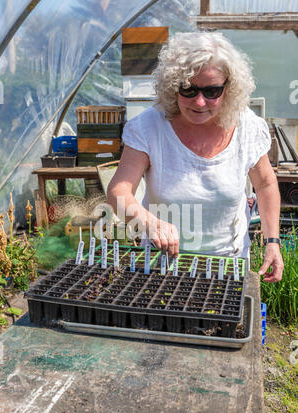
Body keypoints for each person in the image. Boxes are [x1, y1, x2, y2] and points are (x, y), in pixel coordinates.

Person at [107, 31, 284, 282]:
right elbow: (118, 192)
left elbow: (265, 184)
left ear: (228, 89)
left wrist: (272, 241)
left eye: (212, 91)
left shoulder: (247, 127)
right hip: (162, 265)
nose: (200, 102)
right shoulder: (149, 128)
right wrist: (150, 223)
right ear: (172, 85)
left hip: (228, 265)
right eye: (188, 89)